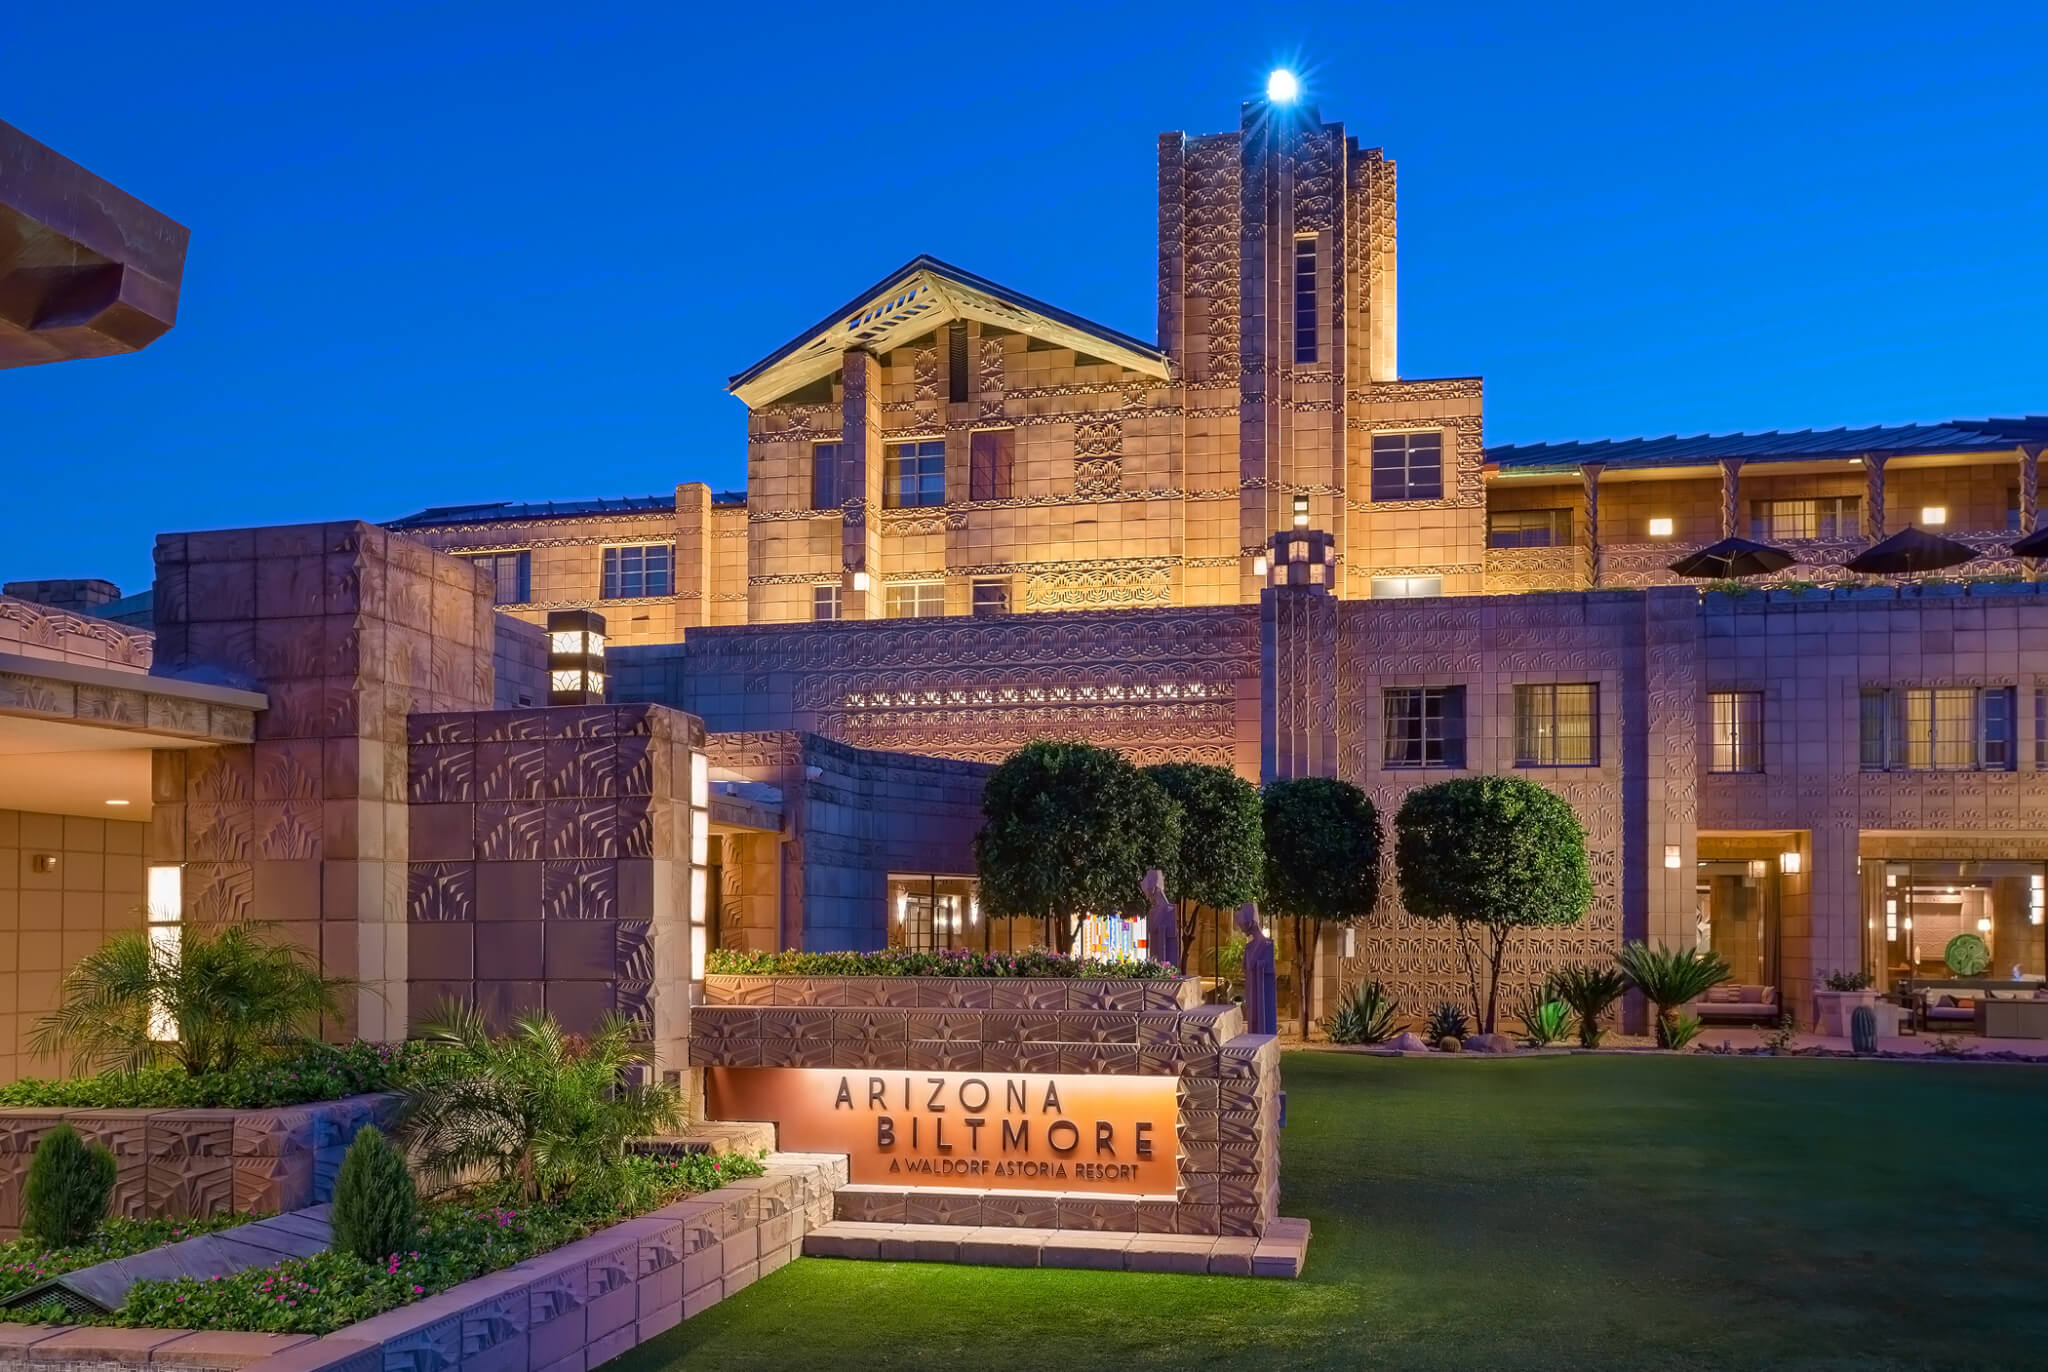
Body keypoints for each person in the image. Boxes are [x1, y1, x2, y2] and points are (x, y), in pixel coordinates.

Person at [1235, 900, 1277, 1036]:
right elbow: (1244, 967)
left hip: (1262, 997)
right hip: (1252, 994)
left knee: (1262, 1025)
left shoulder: (1266, 945)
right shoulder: (1249, 947)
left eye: (1242, 926)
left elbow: (1268, 973)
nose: (1242, 930)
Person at [1141, 868, 1179, 970]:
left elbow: (1170, 934)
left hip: (1165, 958)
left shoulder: (1169, 910)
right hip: (1156, 954)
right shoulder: (1153, 911)